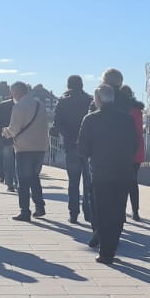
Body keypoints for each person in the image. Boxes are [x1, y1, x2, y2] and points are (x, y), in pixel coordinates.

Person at [77, 81, 140, 264]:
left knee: (103, 212)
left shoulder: (90, 119)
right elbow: (135, 145)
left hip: (101, 172)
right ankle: (112, 246)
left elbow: (83, 149)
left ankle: (106, 253)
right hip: (124, 171)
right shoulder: (127, 119)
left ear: (97, 99)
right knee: (118, 211)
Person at [7, 81, 49, 221]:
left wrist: (4, 132)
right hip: (40, 147)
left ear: (17, 93)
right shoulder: (39, 105)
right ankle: (40, 206)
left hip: (24, 148)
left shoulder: (19, 107)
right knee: (34, 177)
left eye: (11, 92)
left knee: (23, 181)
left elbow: (14, 129)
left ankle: (25, 211)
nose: (11, 95)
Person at [54, 75, 93, 224]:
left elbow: (57, 124)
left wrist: (66, 135)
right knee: (88, 182)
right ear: (82, 85)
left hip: (71, 145)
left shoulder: (63, 101)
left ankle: (73, 213)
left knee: (73, 181)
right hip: (88, 146)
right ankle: (89, 213)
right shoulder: (89, 100)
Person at [119, 84, 146, 220]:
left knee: (122, 182)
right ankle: (135, 212)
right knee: (133, 181)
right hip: (139, 148)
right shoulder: (138, 110)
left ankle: (121, 211)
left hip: (126, 149)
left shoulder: (123, 110)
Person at [0, 88, 16, 191]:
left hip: (7, 137)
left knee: (8, 161)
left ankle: (10, 184)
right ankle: (19, 182)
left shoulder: (3, 105)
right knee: (19, 161)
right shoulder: (28, 106)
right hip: (22, 138)